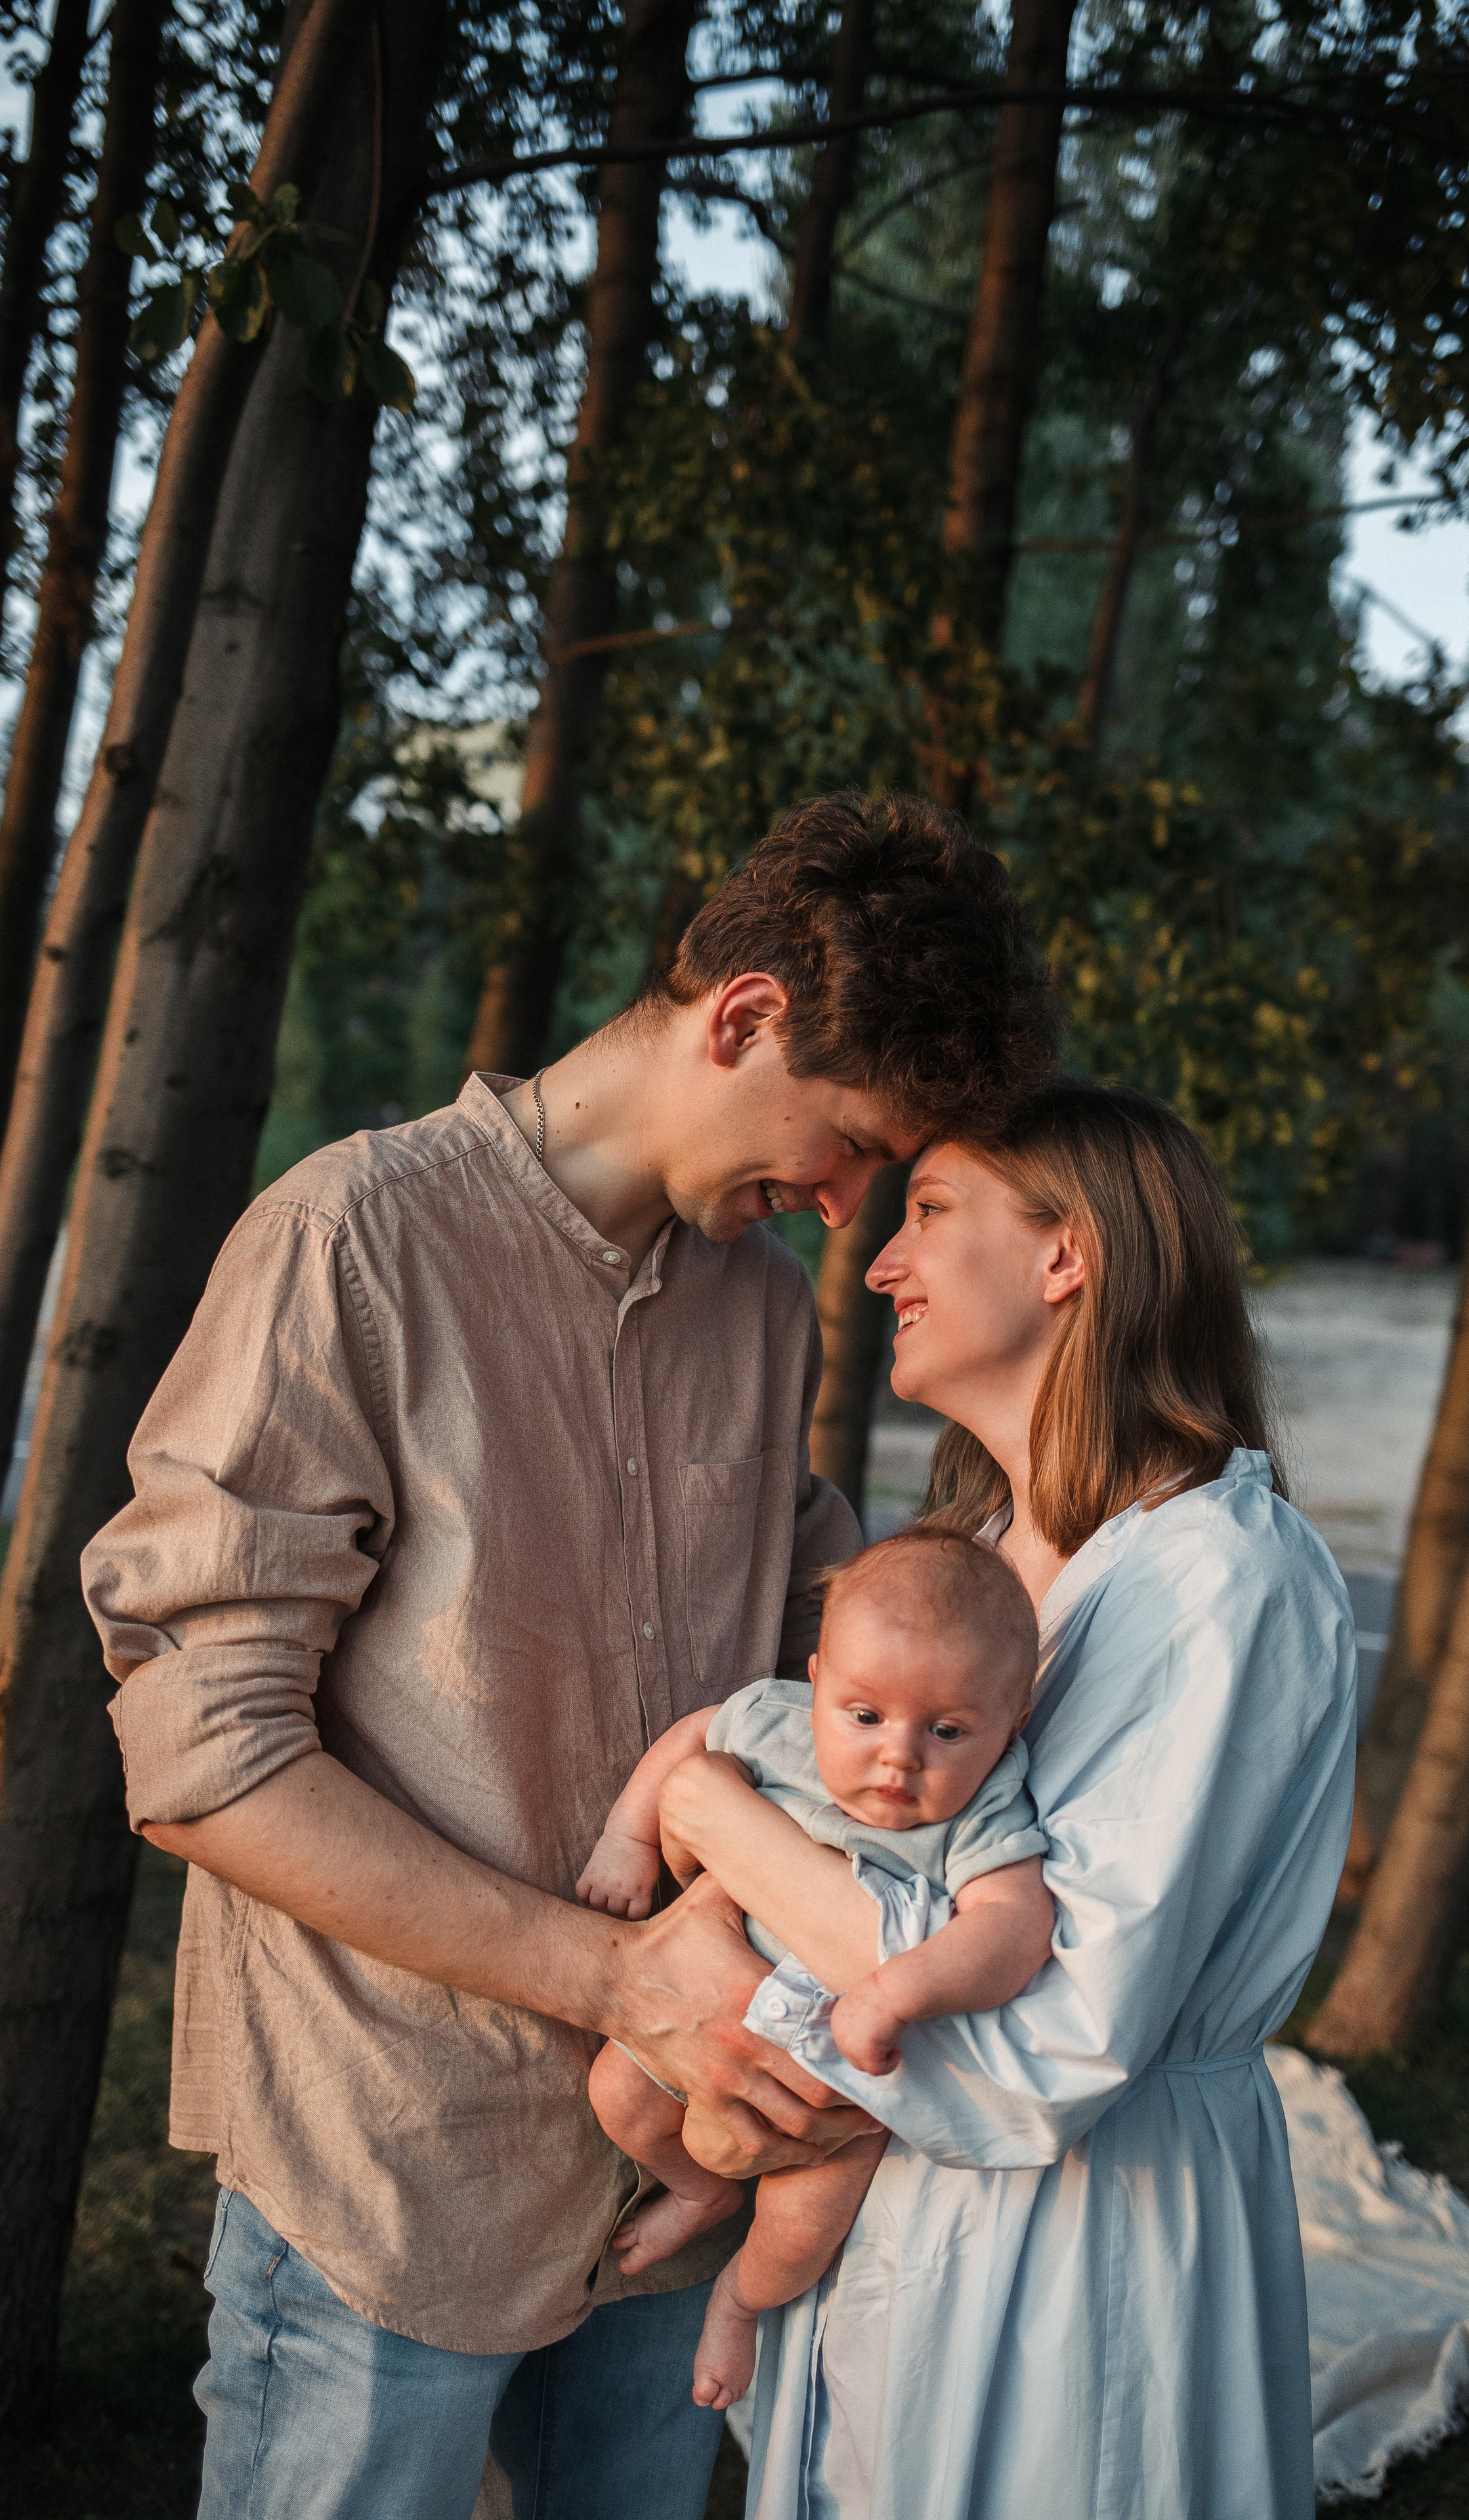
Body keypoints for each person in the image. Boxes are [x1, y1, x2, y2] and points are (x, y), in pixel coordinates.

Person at [79, 790, 1059, 2520]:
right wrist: (616, 1980)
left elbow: (807, 1661)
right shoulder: (351, 1244)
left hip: (675, 2166)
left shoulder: (757, 1310)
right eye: (847, 1146)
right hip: (390, 2172)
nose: (848, 1212)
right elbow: (201, 1761)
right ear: (743, 1017)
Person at [662, 1080, 1359, 2520]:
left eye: (926, 1213)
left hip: (1087, 2241)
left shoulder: (1213, 1578)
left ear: (1066, 1256)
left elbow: (1049, 2041)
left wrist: (716, 1817)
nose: (878, 1264)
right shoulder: (974, 1562)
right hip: (901, 2209)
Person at [576, 1528, 1054, 2408]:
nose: (899, 1756)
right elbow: (691, 1738)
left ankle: (739, 2302)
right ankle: (698, 2192)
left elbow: (1015, 1926)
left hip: (840, 2078)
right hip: (706, 1997)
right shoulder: (775, 1720)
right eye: (863, 1716)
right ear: (817, 1679)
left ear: (1012, 1721)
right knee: (618, 2097)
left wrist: (900, 1988)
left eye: (947, 1729)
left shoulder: (988, 1802)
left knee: (803, 2226)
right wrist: (627, 1837)